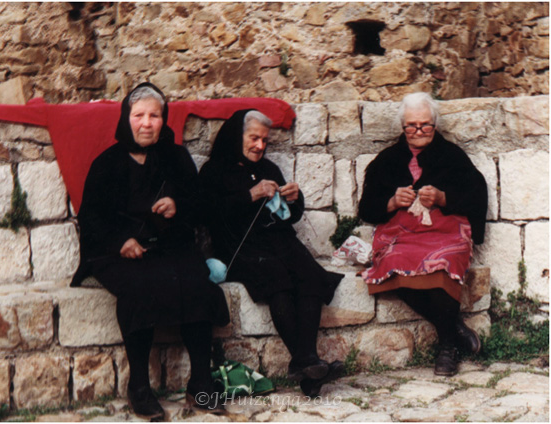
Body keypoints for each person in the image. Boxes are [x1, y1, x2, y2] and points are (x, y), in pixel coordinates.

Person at [71, 83, 230, 418]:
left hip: (170, 245)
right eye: (139, 115)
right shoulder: (107, 163)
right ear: (126, 119)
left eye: (154, 116)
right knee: (140, 288)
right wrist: (121, 242)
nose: (146, 123)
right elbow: (91, 218)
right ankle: (140, 388)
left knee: (197, 283)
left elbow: (200, 204)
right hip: (116, 251)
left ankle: (200, 384)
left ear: (163, 119)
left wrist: (177, 205)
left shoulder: (176, 157)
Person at [199, 109, 345, 397]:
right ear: (236, 136)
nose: (260, 146)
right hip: (239, 245)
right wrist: (250, 195)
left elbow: (289, 217)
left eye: (265, 140)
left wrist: (294, 199)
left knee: (310, 276)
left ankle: (306, 365)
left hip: (279, 241)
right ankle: (308, 363)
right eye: (254, 138)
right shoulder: (213, 171)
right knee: (276, 277)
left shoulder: (268, 169)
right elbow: (206, 213)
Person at [358, 92, 488, 376]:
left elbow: (476, 196)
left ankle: (446, 349)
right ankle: (452, 335)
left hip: (446, 230)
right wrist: (393, 202)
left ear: (435, 125)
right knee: (394, 261)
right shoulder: (388, 160)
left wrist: (443, 197)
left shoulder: (453, 156)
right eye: (411, 126)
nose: (418, 131)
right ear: (403, 127)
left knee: (443, 261)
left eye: (425, 125)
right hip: (402, 234)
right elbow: (367, 208)